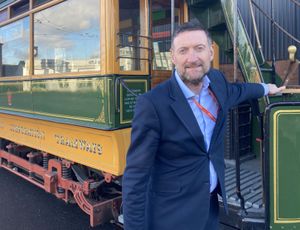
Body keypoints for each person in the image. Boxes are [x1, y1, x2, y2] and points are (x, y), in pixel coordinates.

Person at [122, 21, 285, 230]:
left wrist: (266, 88)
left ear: (210, 52)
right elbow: (136, 176)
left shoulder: (216, 81)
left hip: (209, 210)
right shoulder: (153, 104)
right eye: (183, 51)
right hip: (171, 216)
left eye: (199, 48)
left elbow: (238, 91)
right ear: (173, 57)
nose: (192, 58)